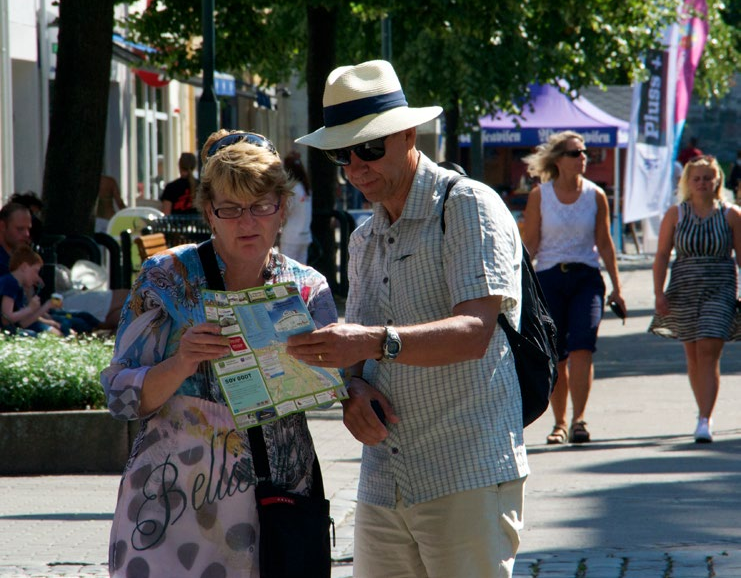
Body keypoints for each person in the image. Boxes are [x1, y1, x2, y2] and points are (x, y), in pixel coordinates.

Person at [287, 60, 528, 578]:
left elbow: (474, 333)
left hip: (466, 469)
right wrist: (351, 392)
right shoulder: (362, 237)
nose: (356, 165)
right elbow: (361, 358)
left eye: (370, 147)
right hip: (384, 478)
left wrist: (372, 342)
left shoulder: (466, 206)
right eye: (341, 154)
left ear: (408, 134)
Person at [101, 129, 338, 577]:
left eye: (261, 205)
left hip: (276, 507)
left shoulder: (307, 288)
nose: (247, 221)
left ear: (282, 209)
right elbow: (120, 396)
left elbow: (337, 389)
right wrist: (181, 362)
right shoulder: (167, 277)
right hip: (171, 509)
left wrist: (325, 365)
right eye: (230, 208)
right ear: (209, 212)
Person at [522, 131, 626, 445]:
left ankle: (579, 419)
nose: (583, 157)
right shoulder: (540, 195)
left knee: (583, 348)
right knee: (557, 354)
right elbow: (530, 244)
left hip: (586, 279)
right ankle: (560, 423)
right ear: (558, 160)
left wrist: (617, 288)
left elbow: (605, 245)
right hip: (550, 279)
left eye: (584, 152)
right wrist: (519, 285)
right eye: (575, 152)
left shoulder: (595, 195)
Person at [649, 155, 741, 443]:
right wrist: (658, 293)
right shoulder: (676, 213)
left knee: (708, 349)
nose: (702, 183)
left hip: (720, 287)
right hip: (684, 288)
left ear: (717, 181)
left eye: (707, 178)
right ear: (688, 182)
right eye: (696, 178)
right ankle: (702, 408)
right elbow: (662, 254)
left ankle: (704, 418)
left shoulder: (731, 214)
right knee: (692, 355)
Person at [0, 201, 126, 331]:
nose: (27, 234)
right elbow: (11, 316)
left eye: (28, 229)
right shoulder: (6, 265)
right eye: (20, 229)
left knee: (89, 319)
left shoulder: (19, 255)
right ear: (2, 226)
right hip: (33, 317)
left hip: (45, 310)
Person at [0, 245, 62, 336]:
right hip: (4, 331)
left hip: (10, 329)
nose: (37, 277)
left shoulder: (18, 286)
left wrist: (45, 306)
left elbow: (23, 323)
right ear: (24, 267)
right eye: (35, 271)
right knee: (33, 335)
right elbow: (6, 319)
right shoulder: (10, 282)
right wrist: (30, 308)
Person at [281, 150, 313, 263]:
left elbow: (285, 211)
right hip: (305, 236)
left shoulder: (293, 189)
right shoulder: (306, 188)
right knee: (300, 273)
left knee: (286, 271)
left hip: (291, 237)